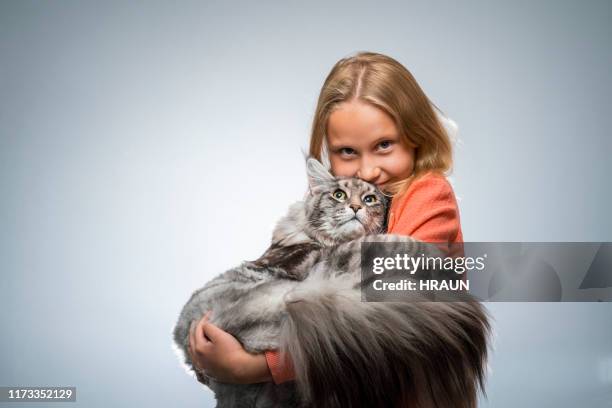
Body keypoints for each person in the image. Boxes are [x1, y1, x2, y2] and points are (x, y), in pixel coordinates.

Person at [188, 51, 464, 387]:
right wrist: (220, 350)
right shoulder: (330, 200)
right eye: (347, 151)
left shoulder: (427, 193)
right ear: (329, 149)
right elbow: (281, 287)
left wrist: (259, 367)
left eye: (384, 145)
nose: (367, 170)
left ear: (416, 136)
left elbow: (392, 315)